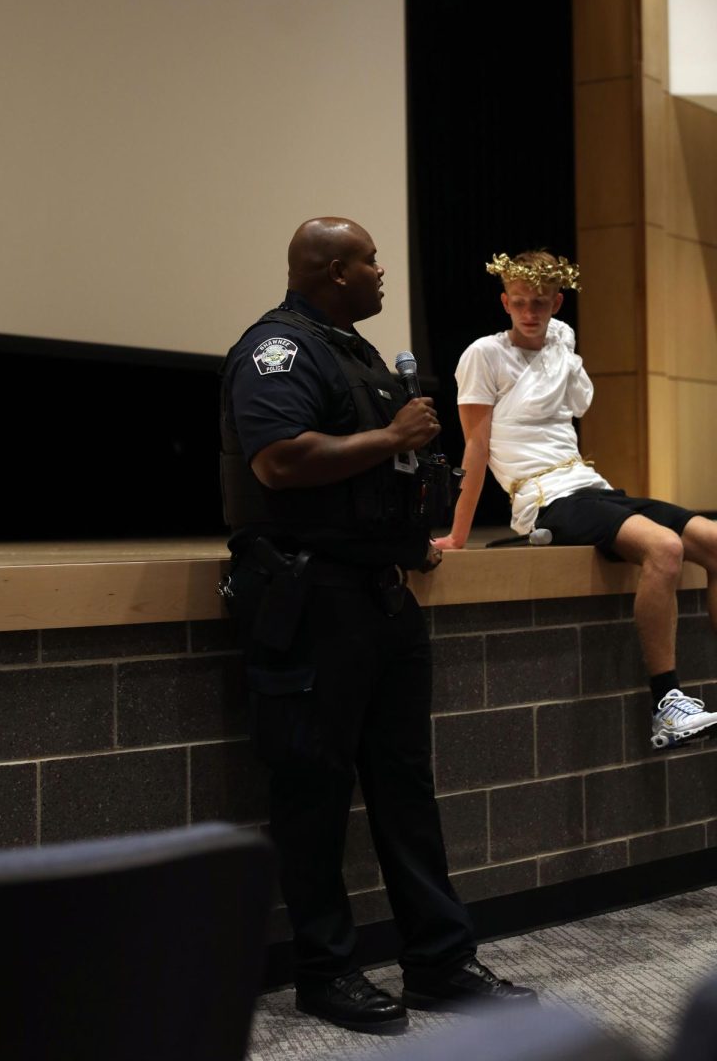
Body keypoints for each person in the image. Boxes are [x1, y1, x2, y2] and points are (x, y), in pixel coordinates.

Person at [219, 218, 536, 1034]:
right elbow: (279, 460)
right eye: (366, 260)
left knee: (406, 789)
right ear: (330, 271)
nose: (381, 270)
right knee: (314, 790)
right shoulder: (277, 351)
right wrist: (391, 436)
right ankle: (326, 971)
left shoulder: (357, 352)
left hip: (383, 596)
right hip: (313, 601)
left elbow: (381, 468)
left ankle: (439, 961)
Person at [435, 249, 717, 750]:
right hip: (544, 499)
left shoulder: (561, 341)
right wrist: (459, 533)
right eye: (519, 302)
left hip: (588, 485)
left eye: (539, 303)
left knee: (713, 539)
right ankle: (667, 704)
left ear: (556, 302)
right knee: (665, 549)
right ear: (504, 301)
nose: (529, 313)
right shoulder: (484, 355)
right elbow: (475, 448)